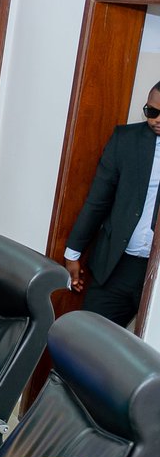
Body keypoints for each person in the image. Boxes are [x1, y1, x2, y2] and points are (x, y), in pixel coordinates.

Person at [63, 79, 160, 326]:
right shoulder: (125, 139)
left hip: (156, 274)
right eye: (152, 111)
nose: (157, 119)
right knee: (86, 340)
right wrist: (73, 253)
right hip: (117, 267)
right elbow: (98, 199)